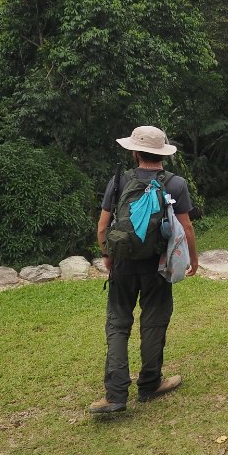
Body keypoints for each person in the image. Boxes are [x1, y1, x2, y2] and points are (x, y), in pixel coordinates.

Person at [90, 125, 199, 414]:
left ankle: (115, 395)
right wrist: (193, 260)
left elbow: (103, 226)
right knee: (154, 321)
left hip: (123, 262)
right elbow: (186, 228)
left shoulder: (119, 181)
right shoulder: (175, 183)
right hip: (158, 265)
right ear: (162, 153)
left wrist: (108, 256)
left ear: (135, 152)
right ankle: (150, 383)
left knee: (117, 324)